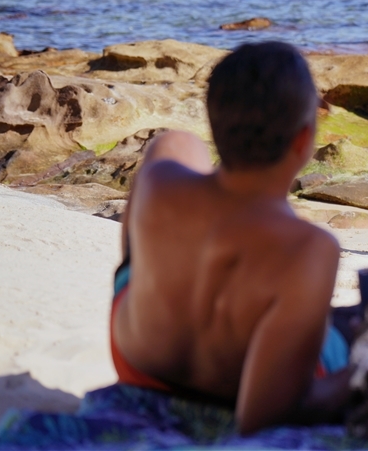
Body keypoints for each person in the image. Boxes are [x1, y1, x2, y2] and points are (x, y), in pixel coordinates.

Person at [110, 41, 347, 435]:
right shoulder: (308, 247)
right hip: (231, 390)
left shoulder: (159, 182)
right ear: (303, 140)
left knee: (174, 142)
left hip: (139, 361)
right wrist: (362, 374)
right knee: (340, 339)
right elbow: (263, 417)